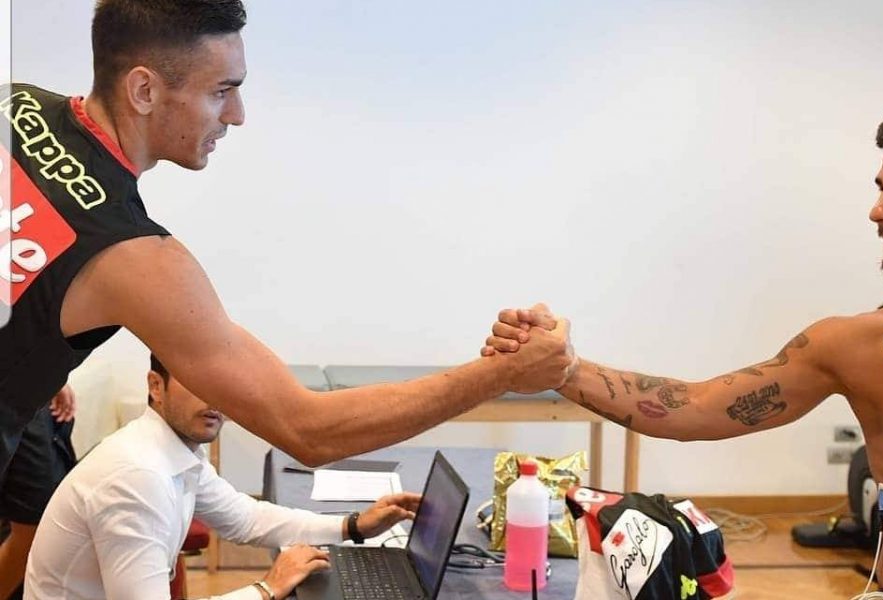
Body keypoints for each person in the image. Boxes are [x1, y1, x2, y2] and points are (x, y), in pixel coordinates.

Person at [1, 0, 574, 591]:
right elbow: (308, 429)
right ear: (144, 90)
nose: (238, 114)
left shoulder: (16, 103)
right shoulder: (130, 255)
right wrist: (503, 374)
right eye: (222, 91)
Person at [483, 96, 883, 598]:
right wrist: (564, 369)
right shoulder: (859, 344)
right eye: (882, 188)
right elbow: (696, 407)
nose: (878, 210)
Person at [24, 353, 423, 600]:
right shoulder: (136, 477)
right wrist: (267, 588)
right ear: (156, 387)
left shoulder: (173, 449)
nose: (216, 401)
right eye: (201, 385)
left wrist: (353, 525)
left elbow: (246, 518)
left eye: (226, 389)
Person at [0, 386, 76, 600]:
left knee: (39, 520)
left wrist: (50, 379)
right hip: (16, 393)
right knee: (34, 524)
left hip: (27, 392)